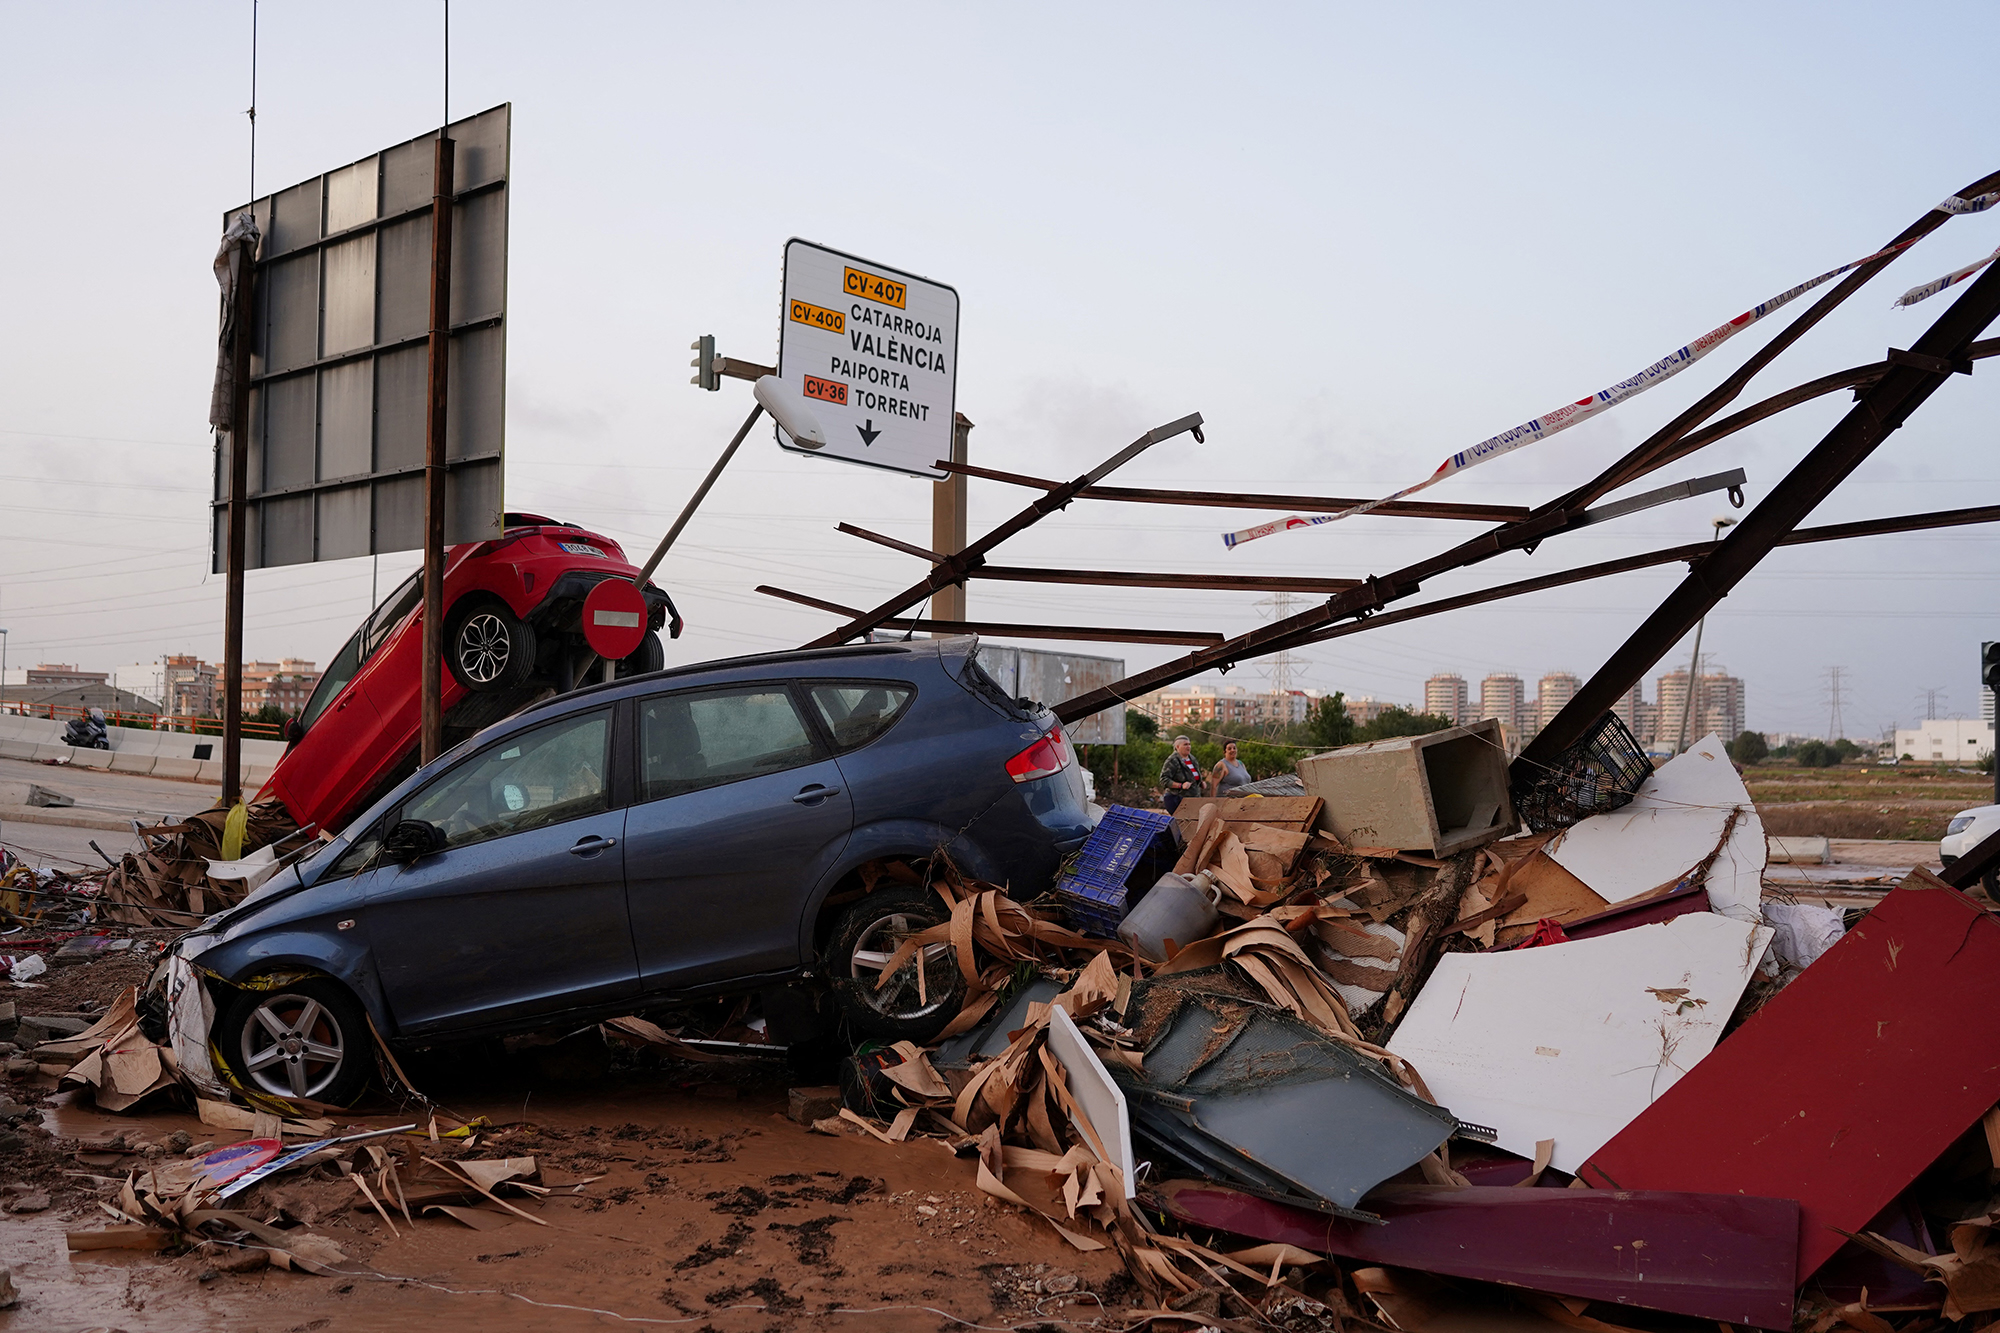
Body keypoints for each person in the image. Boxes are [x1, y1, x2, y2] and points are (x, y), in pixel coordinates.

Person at [1159, 735, 1203, 813]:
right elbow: (1163, 779)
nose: (1188, 746)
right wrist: (1180, 785)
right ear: (1178, 746)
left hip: (1193, 799)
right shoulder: (1172, 760)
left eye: (1189, 744)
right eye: (1185, 744)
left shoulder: (1192, 759)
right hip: (1177, 799)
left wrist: (1200, 782)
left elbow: (1194, 775)